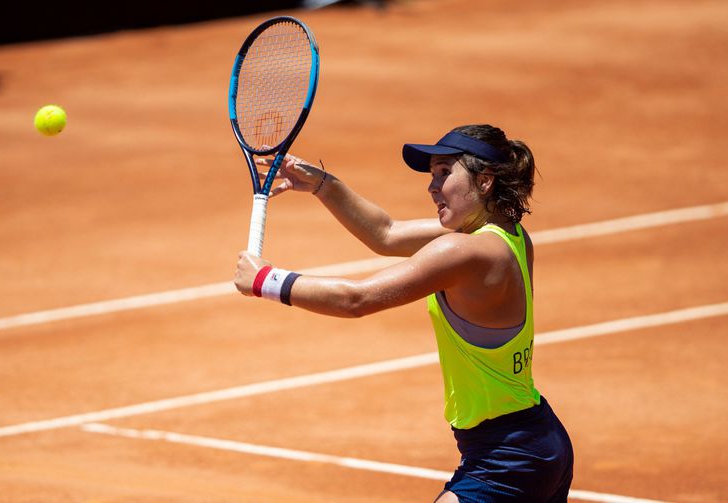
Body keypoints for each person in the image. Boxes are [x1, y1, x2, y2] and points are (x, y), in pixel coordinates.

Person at [234, 124, 574, 502]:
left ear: (484, 182)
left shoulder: (465, 252)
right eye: (433, 175)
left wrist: (265, 279)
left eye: (445, 173)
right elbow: (386, 233)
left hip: (507, 457)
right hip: (534, 439)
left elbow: (357, 299)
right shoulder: (507, 235)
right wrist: (321, 183)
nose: (432, 187)